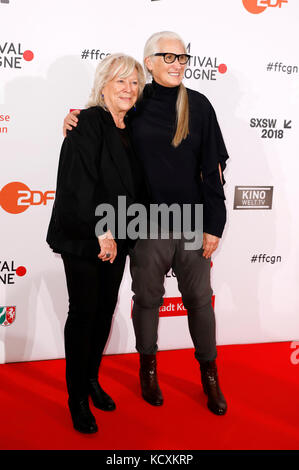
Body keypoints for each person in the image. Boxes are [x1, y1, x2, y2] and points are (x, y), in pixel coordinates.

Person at [64, 31, 229, 416]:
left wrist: (214, 225)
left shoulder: (200, 106)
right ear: (149, 61)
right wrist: (75, 118)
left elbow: (213, 170)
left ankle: (210, 375)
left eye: (182, 57)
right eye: (167, 56)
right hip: (143, 222)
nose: (176, 63)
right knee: (148, 301)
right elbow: (106, 122)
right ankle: (147, 369)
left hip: (190, 221)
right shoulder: (135, 102)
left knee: (201, 303)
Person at [47, 53, 146, 433]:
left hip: (119, 235)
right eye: (120, 81)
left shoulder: (132, 125)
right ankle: (75, 398)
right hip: (84, 233)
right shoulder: (88, 122)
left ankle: (91, 379)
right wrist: (101, 230)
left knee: (105, 308)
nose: (128, 89)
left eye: (134, 82)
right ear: (102, 85)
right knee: (84, 311)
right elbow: (77, 183)